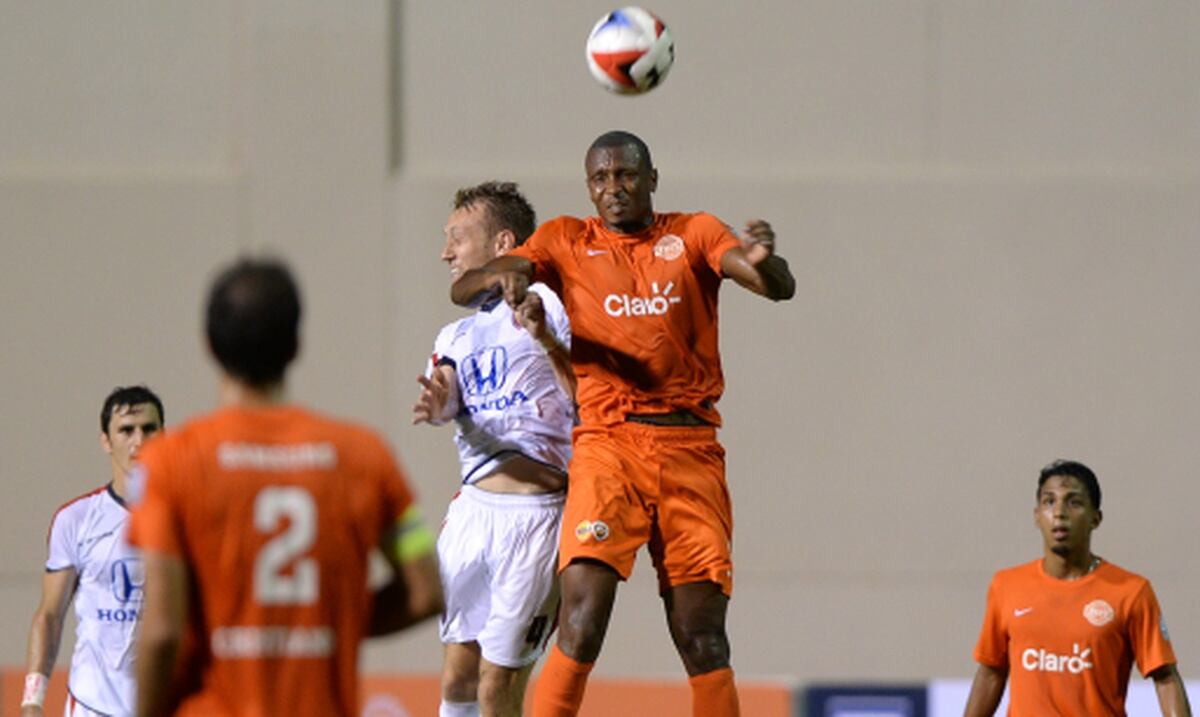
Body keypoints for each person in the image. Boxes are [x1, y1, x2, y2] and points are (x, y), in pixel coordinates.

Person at [450, 130, 796, 717]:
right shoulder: (565, 239)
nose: (614, 188)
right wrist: (499, 277)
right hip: (608, 448)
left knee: (703, 638)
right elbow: (463, 287)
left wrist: (764, 263)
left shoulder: (694, 233)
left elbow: (775, 286)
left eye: (627, 175)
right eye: (601, 178)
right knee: (582, 621)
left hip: (690, 451)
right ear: (589, 187)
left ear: (652, 179)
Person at [127, 258, 443, 717]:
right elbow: (426, 591)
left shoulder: (169, 462)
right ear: (296, 344)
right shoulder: (365, 456)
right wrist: (330, 623)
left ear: (209, 345)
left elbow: (162, 632)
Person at [414, 181, 575, 717]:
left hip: (537, 516)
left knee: (497, 686)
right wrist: (440, 405)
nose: (446, 253)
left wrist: (547, 341)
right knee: (457, 679)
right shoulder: (454, 335)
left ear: (503, 243)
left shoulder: (552, 304)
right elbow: (446, 394)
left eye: (457, 238)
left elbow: (589, 394)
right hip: (472, 513)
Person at [963, 460, 1192, 717]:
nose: (1059, 512)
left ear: (1096, 518)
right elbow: (991, 672)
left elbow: (1165, 677)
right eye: (1049, 501)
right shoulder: (1006, 585)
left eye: (1074, 503)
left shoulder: (1131, 592)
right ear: (1037, 516)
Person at [20, 386, 165, 717]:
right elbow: (50, 615)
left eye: (149, 429)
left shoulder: (188, 517)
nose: (139, 441)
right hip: (92, 705)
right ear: (106, 441)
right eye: (126, 430)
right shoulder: (76, 519)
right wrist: (31, 702)